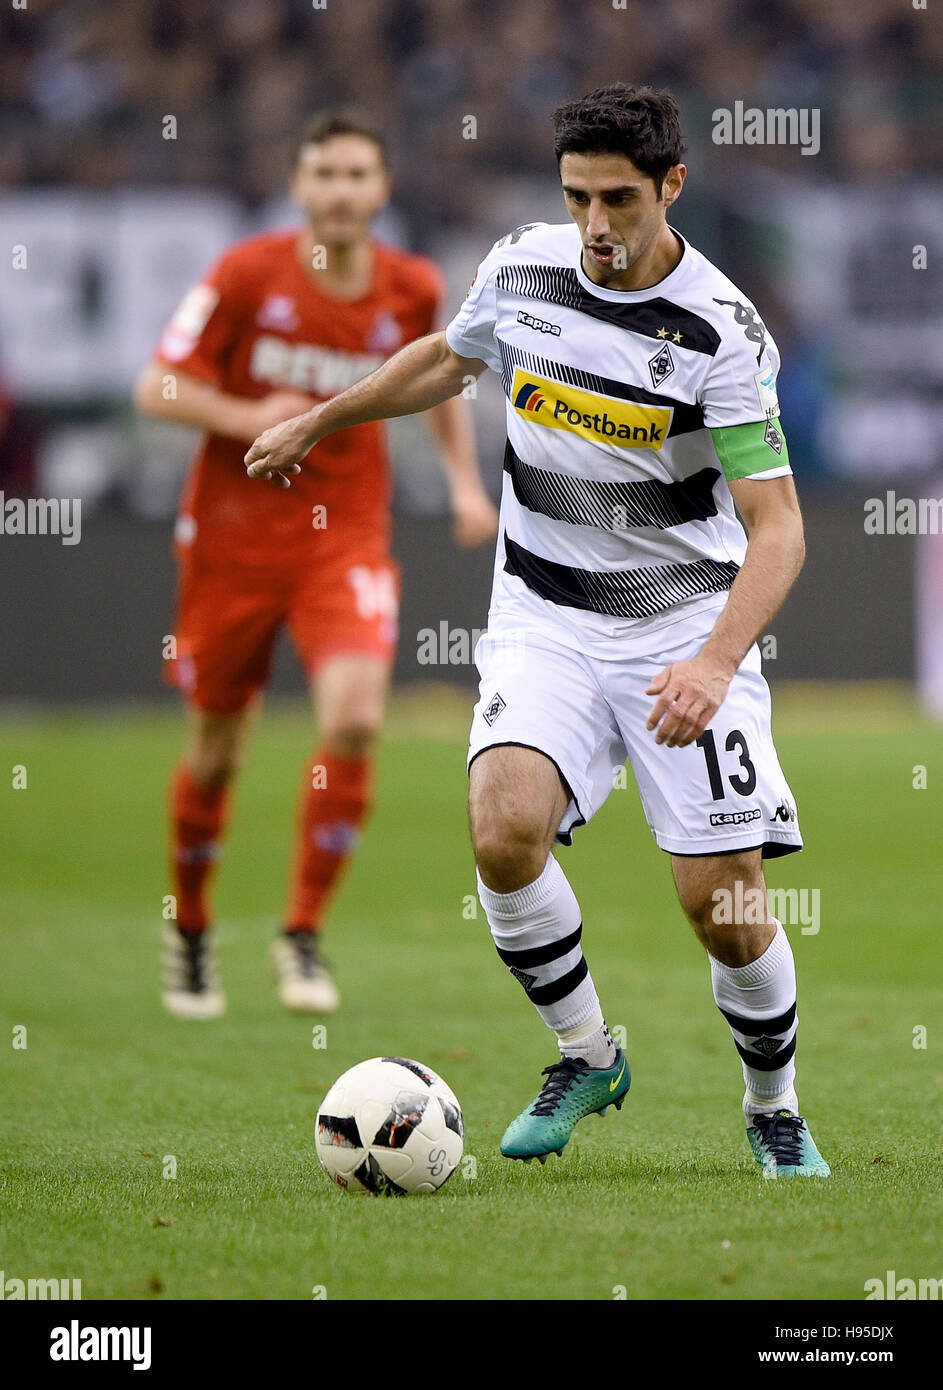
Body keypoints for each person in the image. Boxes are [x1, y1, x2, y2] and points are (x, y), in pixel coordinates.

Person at [244, 85, 828, 1180]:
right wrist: (318, 421)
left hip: (680, 628)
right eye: (575, 199)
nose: (595, 226)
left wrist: (713, 661)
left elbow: (779, 530)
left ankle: (773, 1106)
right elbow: (444, 358)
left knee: (725, 904)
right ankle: (585, 1053)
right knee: (502, 827)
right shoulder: (522, 266)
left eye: (617, 200)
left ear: (671, 187)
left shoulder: (721, 335)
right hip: (543, 615)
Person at [135, 112, 497, 1020]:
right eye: (323, 173)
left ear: (381, 189)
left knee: (355, 717)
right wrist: (254, 414)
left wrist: (461, 480)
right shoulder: (245, 273)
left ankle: (300, 933)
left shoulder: (412, 286)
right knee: (217, 753)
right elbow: (158, 386)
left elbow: (440, 379)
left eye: (357, 174)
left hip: (344, 540)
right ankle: (191, 933)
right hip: (232, 543)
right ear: (299, 187)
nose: (340, 190)